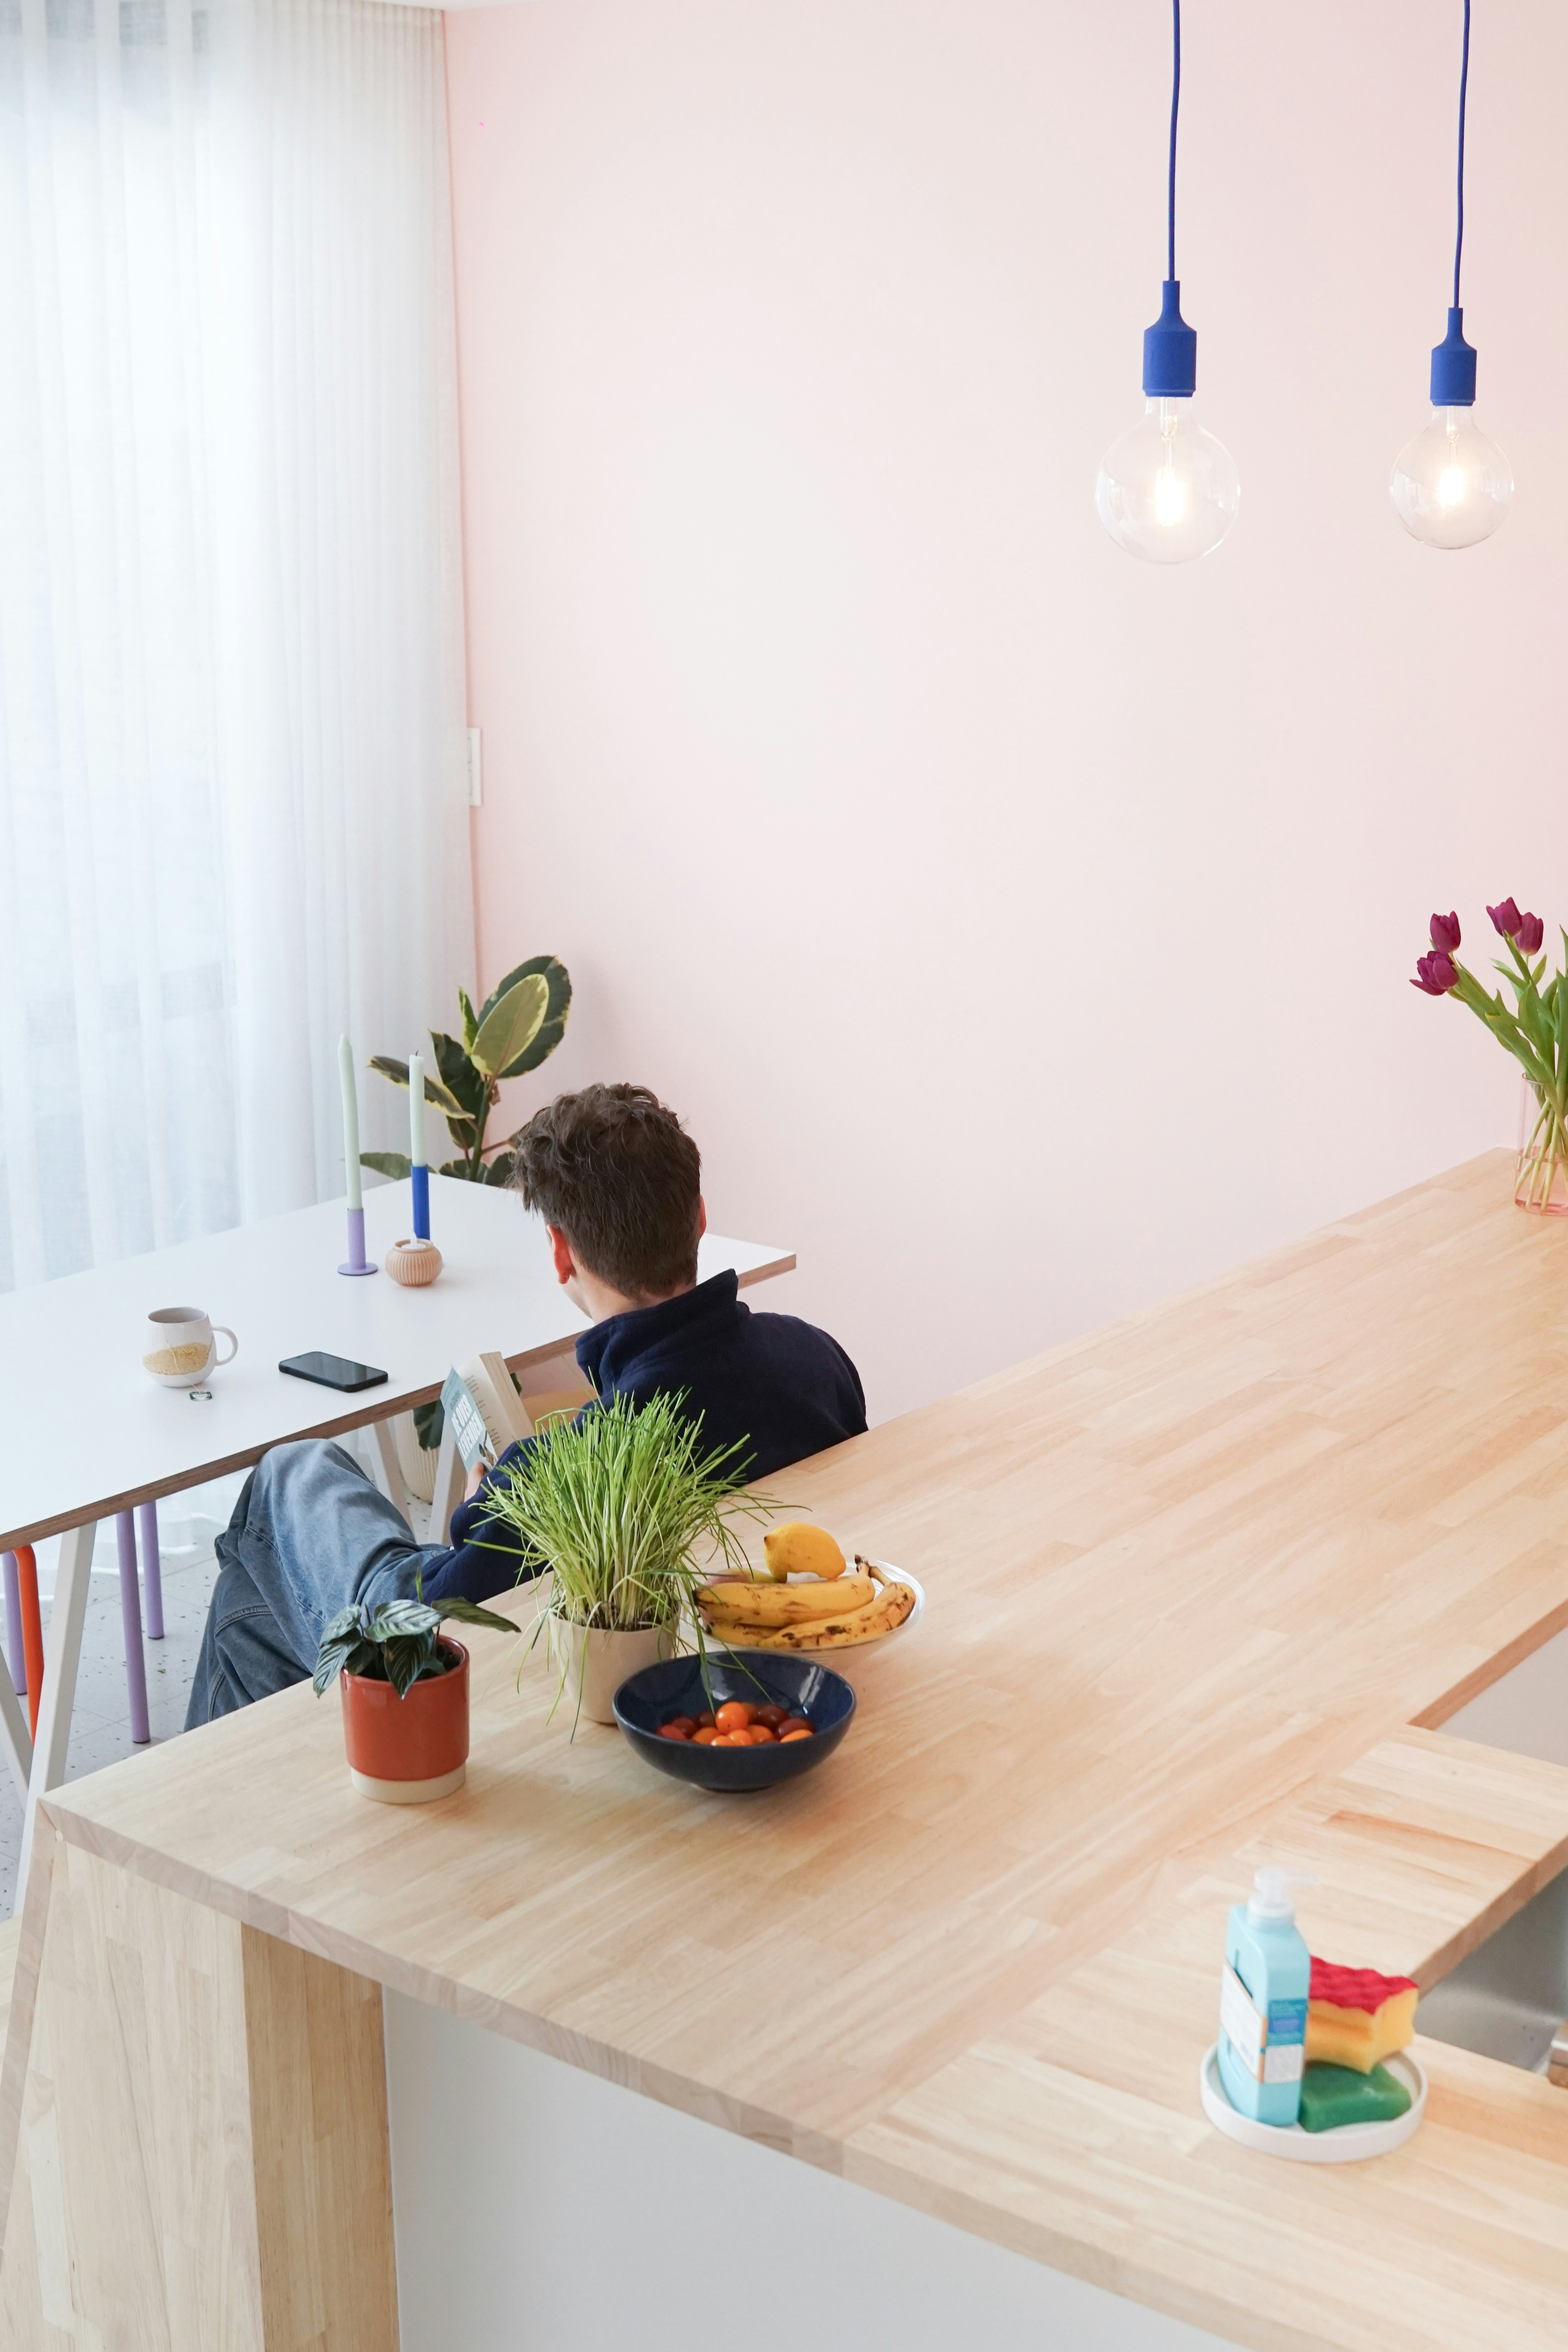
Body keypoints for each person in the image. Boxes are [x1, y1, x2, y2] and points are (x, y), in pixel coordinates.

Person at [185, 1082, 867, 1725]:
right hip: (751, 1643)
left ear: (560, 1252)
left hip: (438, 1656)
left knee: (294, 1472)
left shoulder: (572, 1468)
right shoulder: (815, 1357)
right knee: (244, 1617)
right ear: (700, 1219)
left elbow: (448, 1607)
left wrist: (488, 1498)